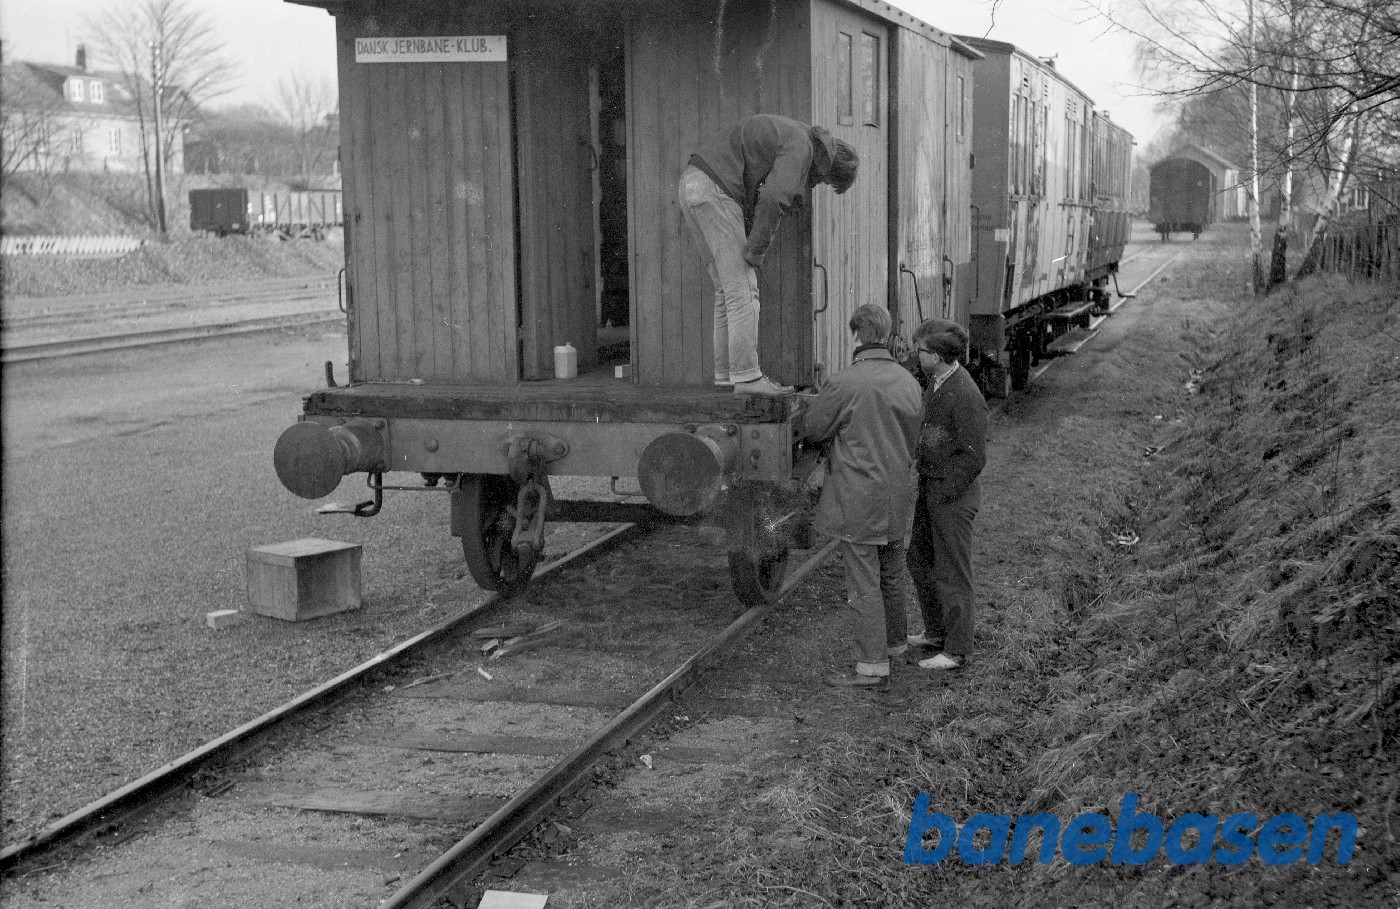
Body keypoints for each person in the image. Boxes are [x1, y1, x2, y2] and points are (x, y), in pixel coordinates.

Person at [679, 114, 859, 396]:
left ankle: (728, 375)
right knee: (744, 291)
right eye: (825, 181)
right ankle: (748, 379)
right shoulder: (802, 146)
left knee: (726, 291)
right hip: (715, 189)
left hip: (692, 182)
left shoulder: (794, 134)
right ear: (828, 167)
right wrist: (756, 249)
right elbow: (775, 196)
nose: (819, 183)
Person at [800, 304, 923, 688]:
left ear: (856, 335)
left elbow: (815, 428)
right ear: (885, 336)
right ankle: (895, 645)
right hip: (897, 493)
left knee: (863, 580)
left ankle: (872, 666)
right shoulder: (908, 382)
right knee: (891, 570)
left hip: (858, 498)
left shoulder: (844, 382)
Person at [905, 318, 988, 671]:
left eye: (919, 349)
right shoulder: (939, 381)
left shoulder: (965, 395)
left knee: (953, 571)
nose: (915, 353)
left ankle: (957, 650)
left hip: (951, 495)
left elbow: (974, 457)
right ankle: (936, 633)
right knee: (920, 559)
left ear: (936, 356)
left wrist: (944, 495)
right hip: (933, 488)